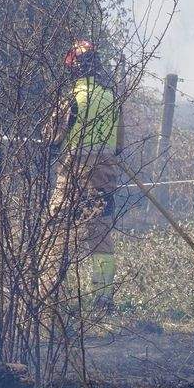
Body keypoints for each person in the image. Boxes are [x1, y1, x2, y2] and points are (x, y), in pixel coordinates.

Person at [45, 39, 124, 306]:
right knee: (101, 237)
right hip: (104, 178)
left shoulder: (71, 99)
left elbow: (52, 139)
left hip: (73, 178)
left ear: (74, 69)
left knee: (57, 235)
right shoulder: (112, 98)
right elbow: (120, 146)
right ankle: (102, 300)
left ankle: (58, 299)